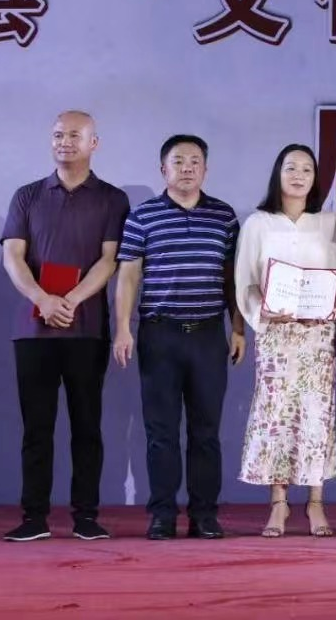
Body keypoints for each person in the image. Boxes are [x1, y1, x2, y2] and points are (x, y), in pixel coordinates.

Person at [0, 111, 130, 543]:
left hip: (86, 329)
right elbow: (12, 256)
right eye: (57, 135)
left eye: (74, 135)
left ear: (94, 143)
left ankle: (85, 517)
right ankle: (33, 517)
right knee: (36, 428)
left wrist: (70, 301)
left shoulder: (112, 199)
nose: (64, 142)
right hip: (33, 330)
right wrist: (42, 300)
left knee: (87, 426)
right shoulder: (27, 196)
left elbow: (110, 260)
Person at [113, 134, 246, 541]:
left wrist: (237, 327)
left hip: (208, 335)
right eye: (178, 161)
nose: (186, 168)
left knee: (206, 432)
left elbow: (233, 279)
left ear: (205, 169)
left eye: (194, 161)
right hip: (160, 335)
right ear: (163, 169)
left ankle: (204, 515)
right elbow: (128, 276)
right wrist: (123, 327)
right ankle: (162, 515)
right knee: (161, 432)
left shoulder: (224, 216)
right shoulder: (143, 216)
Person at [234, 143, 336, 538]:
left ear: (316, 179)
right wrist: (262, 312)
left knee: (316, 417)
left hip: (317, 336)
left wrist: (331, 307)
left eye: (307, 169)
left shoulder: (328, 223)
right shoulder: (258, 223)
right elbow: (244, 282)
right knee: (276, 417)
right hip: (276, 336)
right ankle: (278, 503)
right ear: (278, 174)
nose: (299, 175)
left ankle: (315, 502)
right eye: (291, 168)